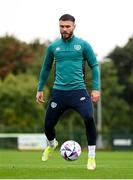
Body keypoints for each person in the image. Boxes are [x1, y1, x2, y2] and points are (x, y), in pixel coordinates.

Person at [36, 14, 100, 170]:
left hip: (78, 92)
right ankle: (52, 144)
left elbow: (95, 66)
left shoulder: (83, 45)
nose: (64, 29)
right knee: (48, 125)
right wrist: (39, 89)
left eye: (67, 26)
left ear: (74, 26)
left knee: (88, 117)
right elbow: (45, 68)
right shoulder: (53, 47)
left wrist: (96, 88)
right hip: (59, 92)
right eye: (61, 26)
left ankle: (91, 157)